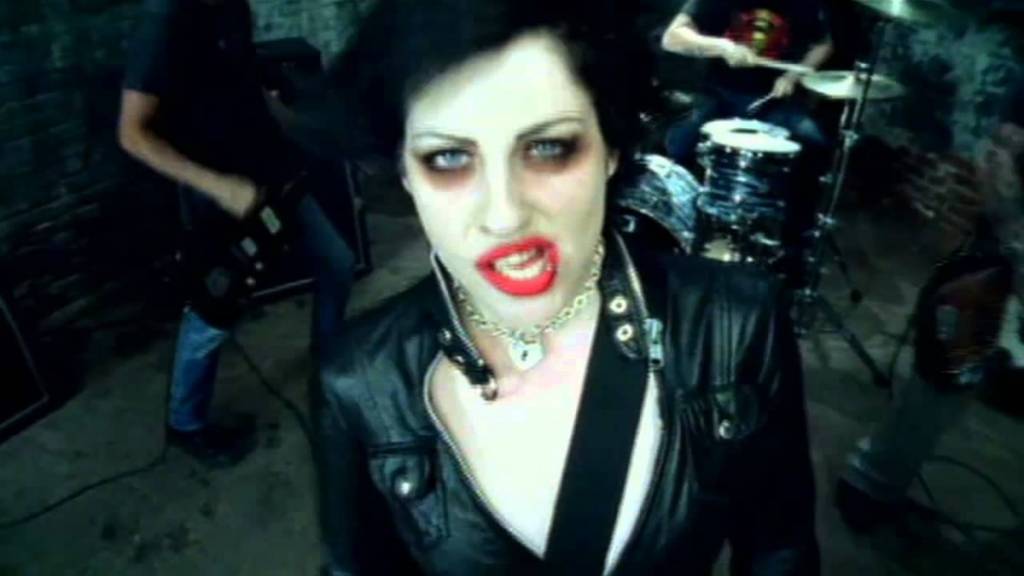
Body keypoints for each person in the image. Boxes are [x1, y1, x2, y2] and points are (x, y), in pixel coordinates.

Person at [312, 1, 818, 574]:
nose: (504, 216)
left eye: (548, 147)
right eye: (448, 157)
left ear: (612, 147)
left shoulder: (738, 324)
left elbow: (780, 551)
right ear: (405, 172)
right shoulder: (357, 377)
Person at [117, 0, 355, 467]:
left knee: (338, 262)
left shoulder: (233, 6)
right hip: (217, 190)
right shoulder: (165, 18)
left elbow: (247, 87)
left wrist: (305, 128)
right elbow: (132, 133)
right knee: (214, 311)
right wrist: (220, 187)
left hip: (271, 172)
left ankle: (326, 362)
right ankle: (185, 424)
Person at [835, 75, 1024, 532]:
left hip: (1001, 252)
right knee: (948, 368)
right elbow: (1004, 150)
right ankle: (870, 484)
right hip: (996, 259)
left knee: (955, 371)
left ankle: (877, 480)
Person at [660, 0, 834, 168]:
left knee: (814, 144)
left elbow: (823, 45)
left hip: (773, 99)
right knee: (681, 147)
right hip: (718, 93)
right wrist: (723, 47)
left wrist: (792, 76)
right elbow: (672, 37)